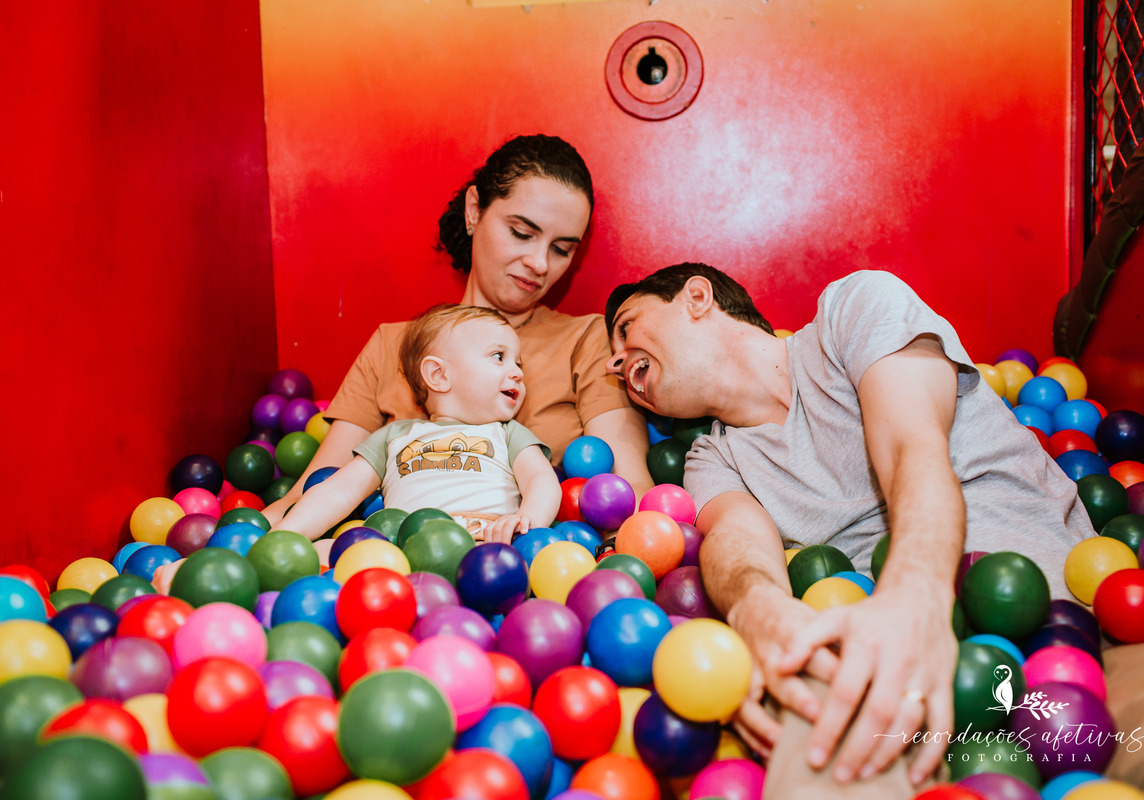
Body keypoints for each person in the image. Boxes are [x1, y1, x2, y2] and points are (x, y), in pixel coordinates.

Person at [603, 264, 1097, 796]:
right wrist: (758, 611)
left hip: (1048, 621)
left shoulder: (852, 309)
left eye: (627, 327)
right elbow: (737, 540)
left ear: (696, 298)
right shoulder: (712, 459)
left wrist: (913, 596)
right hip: (885, 662)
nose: (616, 358)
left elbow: (912, 447)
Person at [262, 134, 653, 525]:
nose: (539, 262)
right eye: (521, 232)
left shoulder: (586, 341)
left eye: (561, 249)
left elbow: (627, 487)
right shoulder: (393, 344)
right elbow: (318, 489)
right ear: (473, 211)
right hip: (392, 560)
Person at [273, 304, 560, 544]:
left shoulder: (508, 434)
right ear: (438, 375)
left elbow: (541, 480)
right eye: (499, 357)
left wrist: (527, 520)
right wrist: (285, 535)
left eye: (518, 363)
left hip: (485, 544)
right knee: (326, 551)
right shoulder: (394, 436)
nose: (518, 373)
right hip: (403, 547)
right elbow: (339, 491)